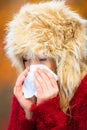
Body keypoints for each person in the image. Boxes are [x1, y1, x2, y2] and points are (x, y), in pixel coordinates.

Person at [4, 0, 87, 130]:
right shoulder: (25, 92)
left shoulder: (83, 93)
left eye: (42, 58)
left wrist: (48, 109)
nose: (32, 68)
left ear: (63, 60)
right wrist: (28, 113)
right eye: (26, 59)